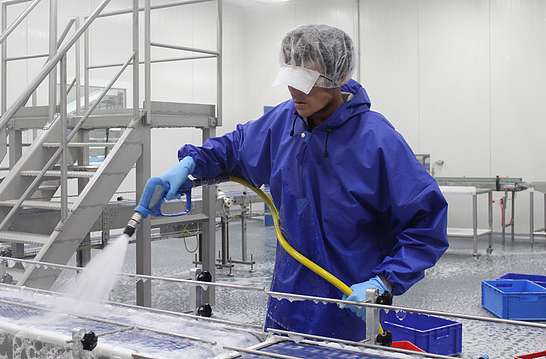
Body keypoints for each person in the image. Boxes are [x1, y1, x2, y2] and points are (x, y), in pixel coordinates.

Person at [158, 24, 449, 341]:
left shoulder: (378, 141)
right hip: (287, 303)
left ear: (338, 78)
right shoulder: (284, 122)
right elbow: (233, 149)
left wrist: (384, 282)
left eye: (306, 82)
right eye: (290, 80)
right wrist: (190, 165)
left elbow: (426, 224)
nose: (295, 92)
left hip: (350, 310)